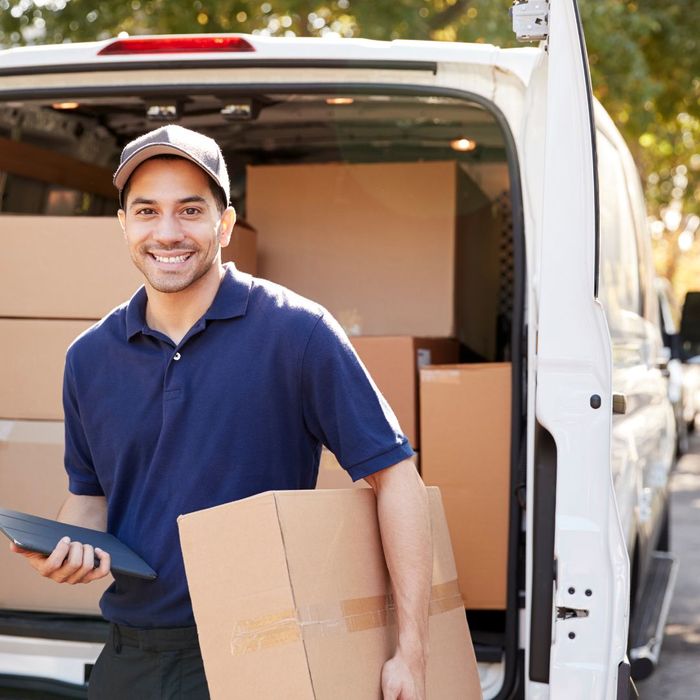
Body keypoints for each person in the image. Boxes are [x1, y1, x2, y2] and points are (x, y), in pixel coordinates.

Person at [10, 125, 432, 700]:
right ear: (123, 226)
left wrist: (411, 652)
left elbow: (396, 478)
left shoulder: (297, 333)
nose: (167, 232)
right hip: (132, 656)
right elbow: (90, 496)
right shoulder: (88, 358)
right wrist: (68, 550)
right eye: (146, 211)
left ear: (225, 224)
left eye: (189, 210)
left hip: (262, 651)